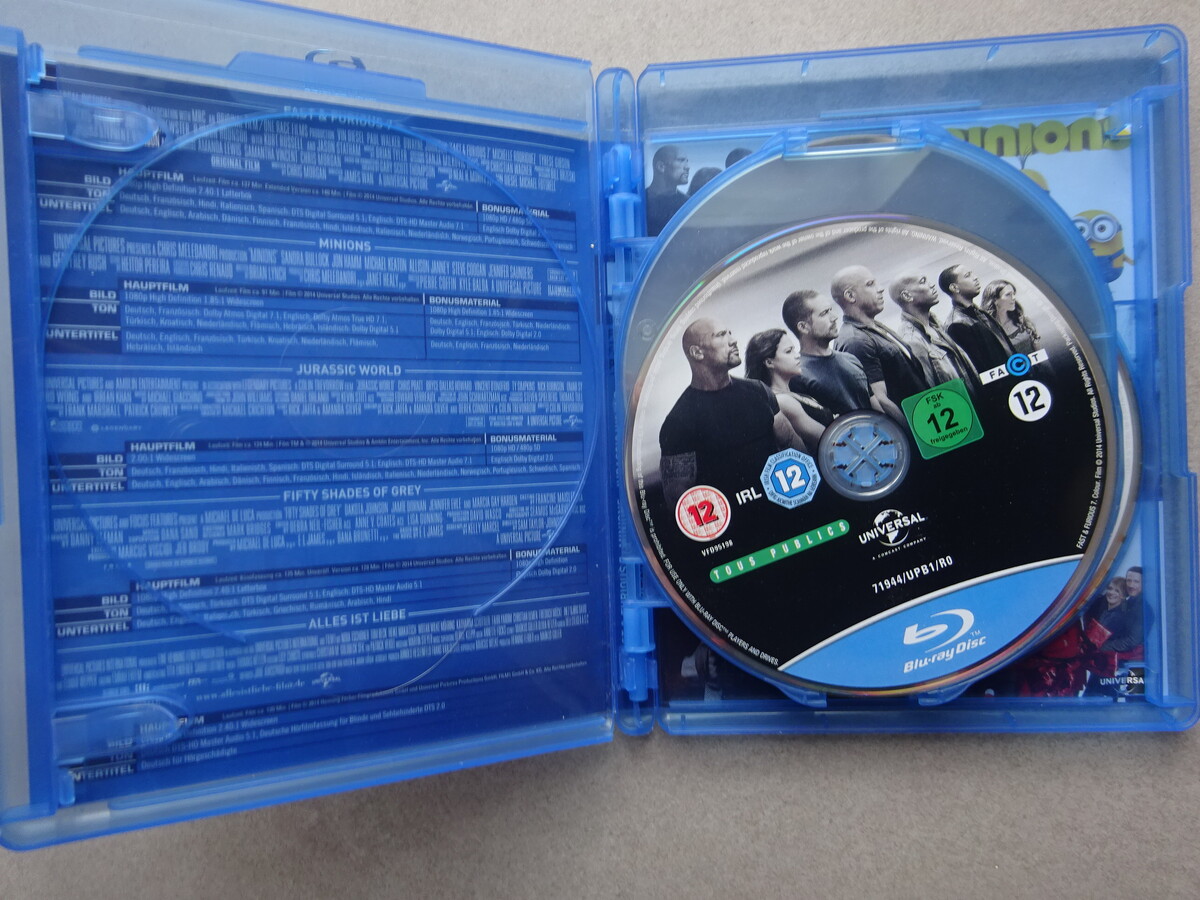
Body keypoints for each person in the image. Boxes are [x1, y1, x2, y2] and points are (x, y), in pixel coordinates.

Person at [658, 317, 804, 505]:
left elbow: (792, 445)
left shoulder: (758, 390)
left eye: (730, 333)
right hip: (738, 519)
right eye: (720, 335)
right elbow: (678, 500)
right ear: (697, 352)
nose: (733, 340)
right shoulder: (679, 421)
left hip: (785, 506)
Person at [830, 265, 930, 423]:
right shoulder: (855, 340)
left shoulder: (872, 327)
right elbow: (880, 401)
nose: (880, 289)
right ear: (850, 295)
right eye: (870, 284)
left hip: (926, 419)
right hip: (916, 427)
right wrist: (913, 433)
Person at [781, 289, 875, 416]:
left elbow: (875, 407)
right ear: (803, 327)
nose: (834, 317)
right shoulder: (798, 376)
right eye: (824, 313)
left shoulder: (851, 359)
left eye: (831, 310)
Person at [890, 274, 980, 393]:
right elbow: (931, 393)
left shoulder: (936, 324)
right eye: (923, 281)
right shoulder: (912, 340)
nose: (932, 285)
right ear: (907, 296)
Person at [743, 328, 832, 450]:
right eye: (789, 351)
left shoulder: (790, 393)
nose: (797, 355)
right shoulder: (782, 401)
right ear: (769, 362)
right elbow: (829, 439)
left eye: (794, 349)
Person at [940, 265, 1015, 372]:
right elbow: (980, 368)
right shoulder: (956, 325)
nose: (975, 277)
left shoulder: (979, 312)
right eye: (967, 275)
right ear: (954, 288)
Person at [981, 279, 1040, 356]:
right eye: (1008, 294)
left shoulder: (1022, 321)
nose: (1014, 297)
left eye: (1013, 294)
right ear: (995, 300)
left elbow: (1039, 352)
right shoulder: (987, 330)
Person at [645, 144, 689, 235]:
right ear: (661, 166)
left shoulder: (687, 203)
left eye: (686, 161)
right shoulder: (642, 202)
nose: (687, 167)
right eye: (681, 160)